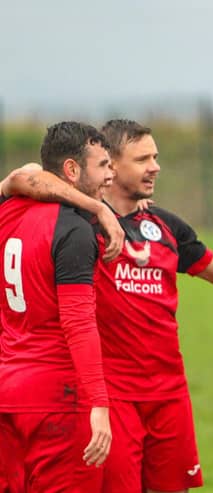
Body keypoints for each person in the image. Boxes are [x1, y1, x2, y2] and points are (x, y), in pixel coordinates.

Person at [3, 119, 213, 493]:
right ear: (111, 165)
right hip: (112, 395)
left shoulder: (163, 225)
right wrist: (96, 209)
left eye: (156, 156)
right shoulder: (78, 223)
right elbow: (25, 176)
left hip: (169, 393)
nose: (155, 166)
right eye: (142, 158)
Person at [0, 122, 114, 492]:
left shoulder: (6, 211)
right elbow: (78, 323)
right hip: (57, 399)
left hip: (8, 391)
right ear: (71, 170)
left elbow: (24, 176)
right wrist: (99, 404)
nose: (109, 177)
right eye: (102, 165)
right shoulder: (73, 230)